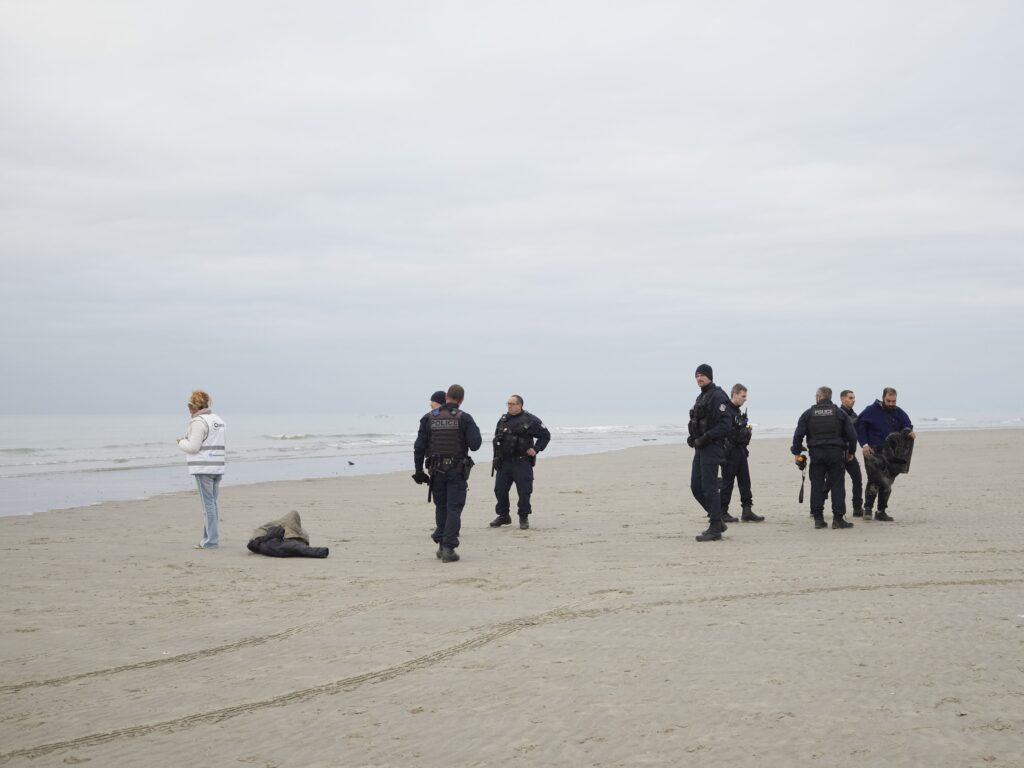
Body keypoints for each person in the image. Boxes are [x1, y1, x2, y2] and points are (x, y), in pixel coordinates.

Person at [413, 384, 482, 562]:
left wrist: (418, 470)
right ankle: (449, 548)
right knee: (454, 508)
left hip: (436, 471)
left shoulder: (428, 418)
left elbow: (419, 447)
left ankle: (442, 546)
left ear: (446, 398)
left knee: (441, 507)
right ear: (462, 400)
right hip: (456, 471)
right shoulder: (464, 418)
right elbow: (475, 444)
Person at [791, 386, 859, 530]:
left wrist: (797, 453)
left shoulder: (808, 414)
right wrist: (851, 452)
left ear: (818, 397)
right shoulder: (840, 413)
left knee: (816, 485)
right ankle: (838, 519)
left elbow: (798, 435)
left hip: (816, 454)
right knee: (837, 485)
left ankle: (818, 519)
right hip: (836, 454)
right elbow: (852, 436)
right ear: (830, 397)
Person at [491, 394, 551, 530]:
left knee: (524, 491)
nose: (509, 406)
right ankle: (503, 516)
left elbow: (546, 436)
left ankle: (523, 517)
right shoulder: (503, 420)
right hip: (504, 462)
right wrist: (496, 457)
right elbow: (497, 440)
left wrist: (536, 449)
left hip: (522, 462)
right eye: (508, 404)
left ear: (520, 405)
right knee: (499, 490)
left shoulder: (531, 420)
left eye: (512, 404)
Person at [687, 364, 732, 542]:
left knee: (709, 487)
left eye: (702, 375)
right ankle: (717, 520)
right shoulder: (701, 397)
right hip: (701, 448)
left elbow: (725, 425)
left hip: (712, 447)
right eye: (697, 375)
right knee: (696, 486)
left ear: (710, 377)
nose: (699, 378)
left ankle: (715, 527)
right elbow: (697, 421)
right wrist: (692, 438)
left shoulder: (718, 396)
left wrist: (705, 438)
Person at [856, 387, 915, 521]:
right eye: (888, 401)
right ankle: (868, 509)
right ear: (883, 398)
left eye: (893, 401)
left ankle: (881, 511)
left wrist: (908, 431)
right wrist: (864, 444)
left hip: (892, 455)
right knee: (875, 480)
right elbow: (860, 427)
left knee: (887, 483)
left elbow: (907, 424)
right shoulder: (870, 411)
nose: (891, 404)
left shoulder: (899, 412)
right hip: (873, 452)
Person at [177, 390, 226, 549]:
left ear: (193, 406)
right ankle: (208, 538)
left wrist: (181, 442)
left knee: (208, 505)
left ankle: (211, 541)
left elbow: (193, 447)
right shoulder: (218, 420)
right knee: (212, 503)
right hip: (217, 466)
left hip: (204, 467)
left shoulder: (198, 421)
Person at [720, 383, 763, 523]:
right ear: (735, 394)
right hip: (729, 451)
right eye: (743, 396)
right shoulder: (725, 409)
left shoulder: (737, 411)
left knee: (745, 481)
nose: (745, 399)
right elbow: (724, 431)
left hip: (740, 450)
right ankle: (722, 511)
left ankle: (747, 510)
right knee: (728, 482)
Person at [838, 390, 865, 517]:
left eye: (854, 397)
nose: (853, 400)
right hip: (838, 453)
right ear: (843, 399)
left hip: (850, 453)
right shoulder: (838, 414)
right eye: (850, 398)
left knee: (857, 478)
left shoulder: (854, 415)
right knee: (831, 482)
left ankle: (857, 508)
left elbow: (858, 433)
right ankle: (817, 507)